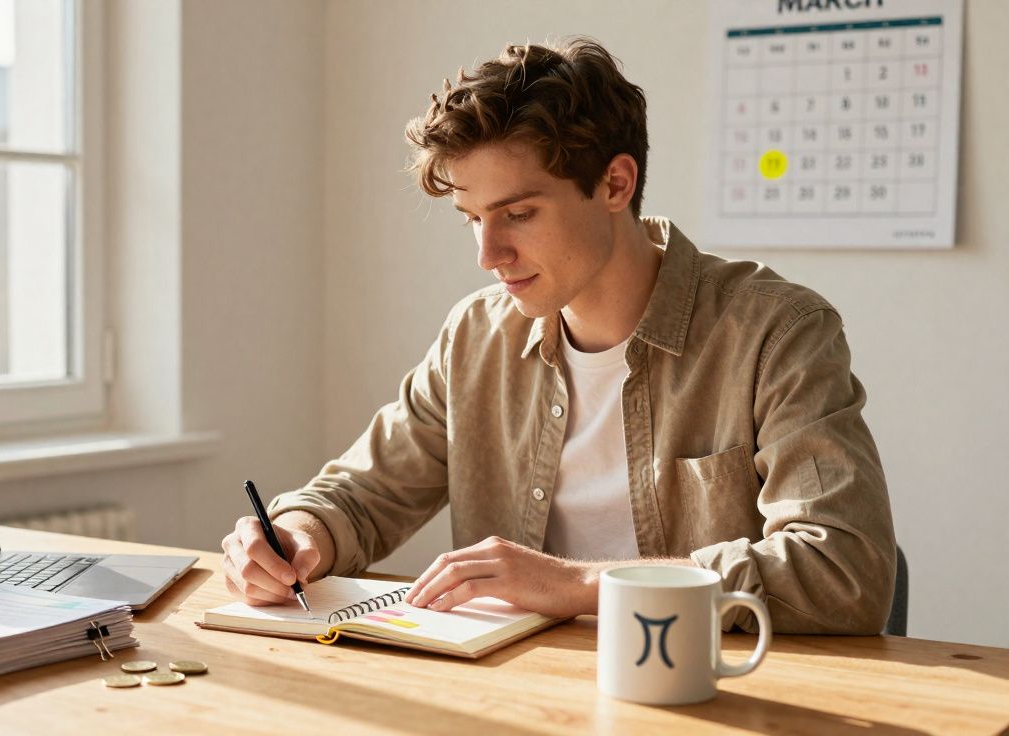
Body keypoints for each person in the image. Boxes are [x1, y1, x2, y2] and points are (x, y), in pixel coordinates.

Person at [219, 38, 896, 634]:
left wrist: (577, 585)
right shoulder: (475, 337)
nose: (488, 254)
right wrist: (297, 536)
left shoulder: (775, 332)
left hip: (713, 695)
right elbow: (361, 496)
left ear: (615, 184)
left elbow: (843, 569)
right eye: (472, 218)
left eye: (517, 213)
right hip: (518, 695)